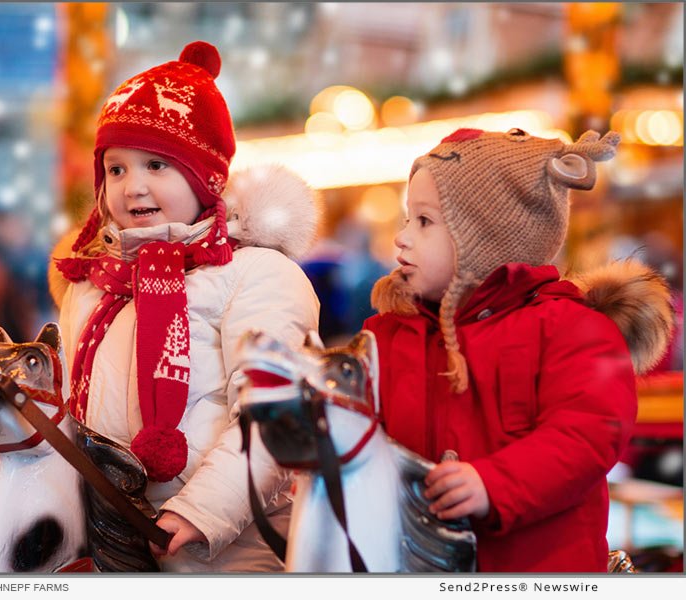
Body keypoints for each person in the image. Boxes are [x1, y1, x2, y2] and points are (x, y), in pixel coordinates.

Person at [49, 41, 320, 572]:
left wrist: (200, 513)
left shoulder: (256, 275)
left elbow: (273, 419)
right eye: (116, 169)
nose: (134, 187)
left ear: (205, 179)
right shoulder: (91, 284)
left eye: (156, 165)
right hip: (104, 539)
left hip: (228, 548)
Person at [363, 127, 673, 572]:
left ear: (485, 237)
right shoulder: (393, 333)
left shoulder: (572, 330)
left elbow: (584, 435)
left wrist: (494, 484)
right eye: (408, 219)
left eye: (425, 222)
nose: (402, 238)